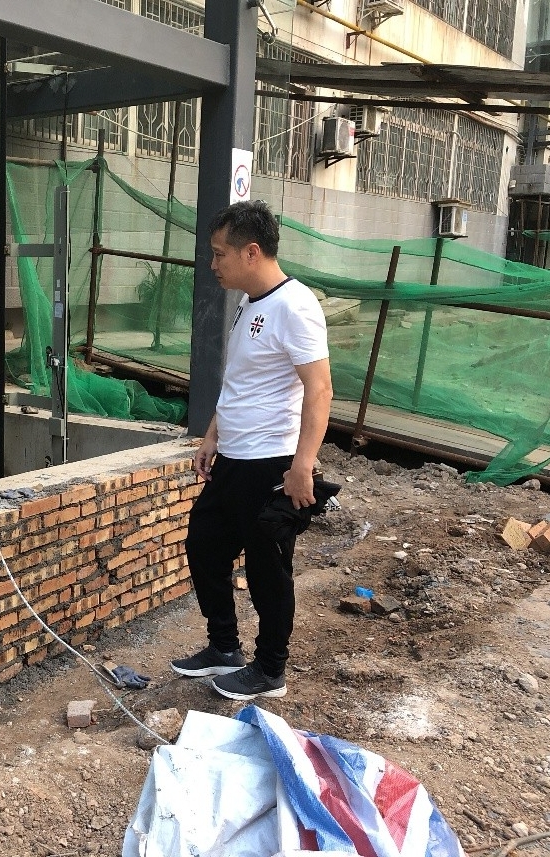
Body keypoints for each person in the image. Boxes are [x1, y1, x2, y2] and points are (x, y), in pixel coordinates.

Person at [170, 200, 332, 701]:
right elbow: (241, 380)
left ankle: (270, 669)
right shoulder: (250, 303)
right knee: (204, 545)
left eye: (220, 253)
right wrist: (213, 434)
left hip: (270, 462)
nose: (213, 264)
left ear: (251, 252)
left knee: (267, 571)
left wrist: (302, 465)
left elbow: (320, 389)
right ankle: (224, 648)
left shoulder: (295, 306)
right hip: (234, 458)